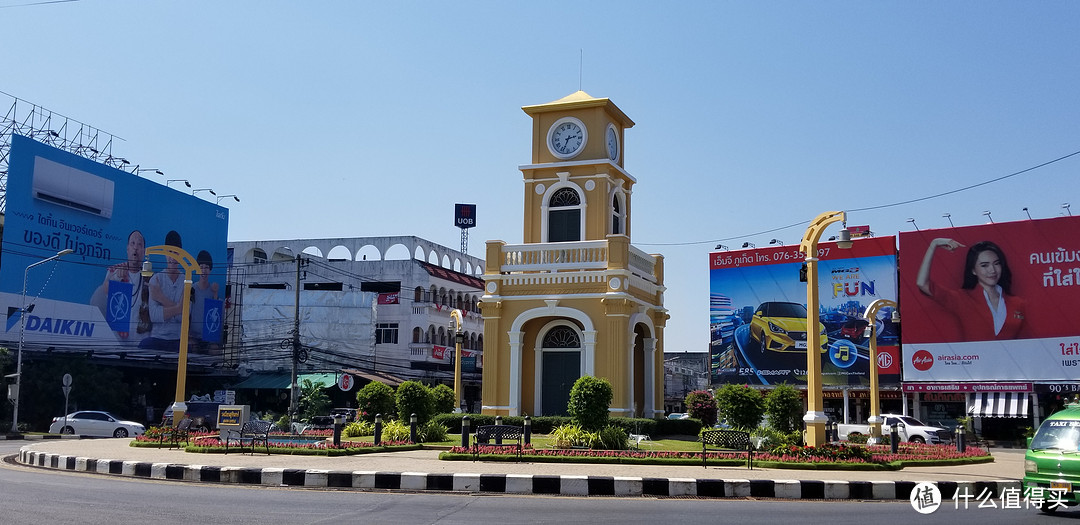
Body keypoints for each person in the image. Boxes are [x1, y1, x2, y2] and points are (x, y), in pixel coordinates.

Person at [916, 238, 1027, 340]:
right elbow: (922, 283)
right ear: (973, 270)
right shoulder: (962, 299)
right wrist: (934, 244)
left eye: (997, 264)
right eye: (984, 265)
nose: (992, 270)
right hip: (974, 360)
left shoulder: (1018, 304)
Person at [90, 229, 148, 341]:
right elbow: (102, 293)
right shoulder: (116, 271)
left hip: (140, 340)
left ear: (144, 251)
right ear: (127, 249)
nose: (136, 247)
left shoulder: (149, 277)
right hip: (115, 338)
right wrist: (115, 278)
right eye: (133, 243)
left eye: (139, 244)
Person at [139, 230, 186, 351]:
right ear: (165, 253)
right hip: (157, 338)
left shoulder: (187, 281)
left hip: (178, 340)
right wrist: (178, 308)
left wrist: (160, 297)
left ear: (180, 255)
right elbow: (154, 316)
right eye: (170, 252)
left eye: (176, 253)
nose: (173, 257)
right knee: (143, 346)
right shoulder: (156, 279)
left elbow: (184, 317)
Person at [189, 250, 220, 353]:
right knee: (191, 347)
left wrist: (215, 294)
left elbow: (216, 315)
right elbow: (186, 313)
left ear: (210, 269)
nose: (203, 271)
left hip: (209, 337)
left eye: (206, 267)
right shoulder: (191, 289)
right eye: (200, 267)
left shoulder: (213, 290)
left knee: (215, 350)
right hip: (193, 336)